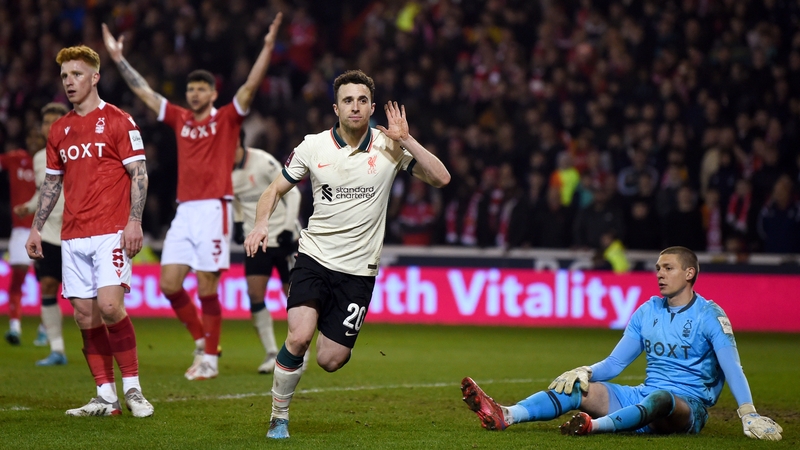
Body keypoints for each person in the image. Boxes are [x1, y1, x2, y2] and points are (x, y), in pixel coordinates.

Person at [244, 70, 451, 439]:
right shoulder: (313, 146)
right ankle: (279, 416)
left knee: (330, 360)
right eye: (347, 100)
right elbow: (273, 190)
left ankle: (329, 338)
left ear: (371, 106)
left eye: (362, 100)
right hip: (314, 257)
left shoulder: (390, 147)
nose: (355, 107)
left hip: (358, 271)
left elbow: (441, 178)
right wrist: (260, 225)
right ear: (335, 107)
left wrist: (408, 140)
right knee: (298, 337)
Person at [102, 12, 283, 380]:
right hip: (184, 211)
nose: (194, 94)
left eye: (201, 89)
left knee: (206, 284)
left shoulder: (228, 118)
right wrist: (119, 58)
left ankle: (211, 360)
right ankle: (203, 340)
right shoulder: (180, 118)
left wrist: (266, 48)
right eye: (191, 89)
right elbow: (144, 93)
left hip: (215, 209)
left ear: (214, 93)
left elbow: (250, 84)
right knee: (169, 284)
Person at [461, 246, 782, 441]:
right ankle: (507, 414)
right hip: (641, 398)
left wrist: (748, 412)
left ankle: (593, 427)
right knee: (578, 388)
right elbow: (615, 364)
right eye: (657, 268)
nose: (659, 274)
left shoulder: (709, 315)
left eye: (667, 268)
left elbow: (732, 365)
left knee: (662, 397)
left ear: (689, 273)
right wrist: (585, 370)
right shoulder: (647, 311)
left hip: (687, 408)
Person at [25, 45, 153, 417]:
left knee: (111, 306)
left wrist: (134, 220)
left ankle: (132, 389)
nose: (69, 82)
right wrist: (36, 229)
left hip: (111, 230)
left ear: (95, 77)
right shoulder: (59, 129)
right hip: (72, 234)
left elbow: (139, 174)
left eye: (77, 74)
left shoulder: (119, 120)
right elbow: (51, 184)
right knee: (84, 315)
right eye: (65, 76)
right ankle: (105, 396)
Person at [231, 129, 302, 374]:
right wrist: (239, 223)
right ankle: (272, 352)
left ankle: (298, 353)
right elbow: (237, 200)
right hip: (258, 239)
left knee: (295, 297)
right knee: (254, 293)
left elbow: (292, 192)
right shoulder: (224, 170)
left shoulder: (263, 161)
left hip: (284, 237)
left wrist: (287, 228)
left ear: (238, 142)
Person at [14, 102, 70, 365]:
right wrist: (28, 206)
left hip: (77, 232)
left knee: (88, 301)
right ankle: (57, 349)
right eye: (47, 122)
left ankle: (101, 348)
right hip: (48, 232)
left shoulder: (78, 152)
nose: (51, 126)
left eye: (56, 121)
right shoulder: (39, 158)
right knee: (48, 286)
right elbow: (43, 191)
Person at [1, 126, 38, 345]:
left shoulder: (52, 161)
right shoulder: (16, 159)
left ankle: (46, 329)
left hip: (46, 231)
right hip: (20, 231)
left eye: (38, 137)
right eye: (31, 137)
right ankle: (15, 327)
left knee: (49, 282)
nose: (34, 141)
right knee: (17, 281)